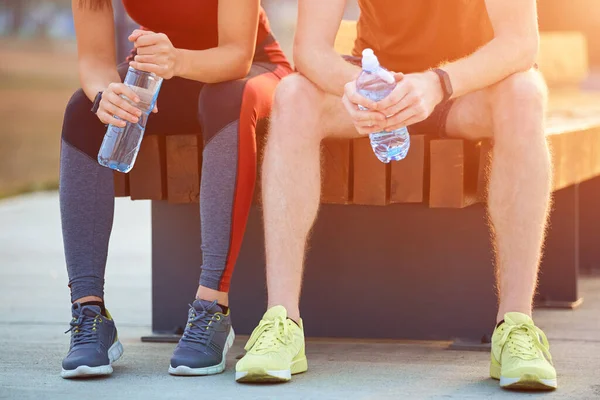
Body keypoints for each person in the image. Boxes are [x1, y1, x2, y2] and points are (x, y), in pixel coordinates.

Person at [236, 0, 558, 390]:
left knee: (525, 94)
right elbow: (310, 50)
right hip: (378, 91)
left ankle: (516, 327)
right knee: (293, 96)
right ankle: (281, 320)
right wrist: (355, 89)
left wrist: (437, 82)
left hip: (466, 86)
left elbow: (521, 43)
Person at [59, 0, 291, 378]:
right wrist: (106, 94)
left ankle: (212, 310)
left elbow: (236, 56)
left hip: (252, 70)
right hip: (164, 73)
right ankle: (89, 311)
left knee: (227, 98)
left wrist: (176, 61)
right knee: (82, 111)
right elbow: (94, 60)